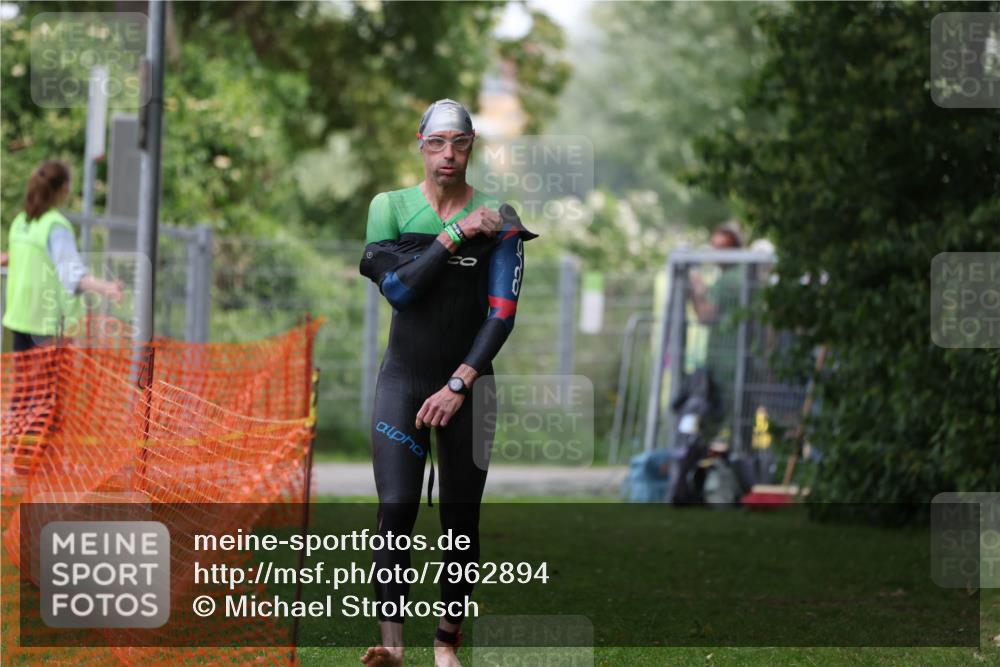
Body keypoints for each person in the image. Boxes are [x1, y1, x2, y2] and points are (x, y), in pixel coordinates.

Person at [357, 99, 537, 667]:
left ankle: (445, 646)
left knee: (461, 520)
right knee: (397, 508)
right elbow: (402, 292)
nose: (449, 155)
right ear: (421, 144)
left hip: (471, 389)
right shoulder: (389, 208)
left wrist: (460, 384)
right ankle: (391, 649)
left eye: (460, 143)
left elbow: (501, 315)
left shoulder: (501, 218)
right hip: (403, 381)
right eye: (437, 143)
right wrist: (456, 234)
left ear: (472, 145)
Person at [3, 159, 124, 351]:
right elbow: (72, 275)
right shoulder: (55, 226)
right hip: (46, 325)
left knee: (24, 381)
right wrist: (106, 287)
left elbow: (23, 255)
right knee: (48, 382)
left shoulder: (21, 222)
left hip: (19, 318)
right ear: (64, 188)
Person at [688, 221, 744, 445]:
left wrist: (696, 288)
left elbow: (705, 316)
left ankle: (689, 465)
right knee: (741, 421)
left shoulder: (730, 280)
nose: (716, 253)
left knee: (712, 421)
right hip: (736, 361)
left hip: (726, 364)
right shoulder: (744, 276)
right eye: (714, 246)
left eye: (723, 247)